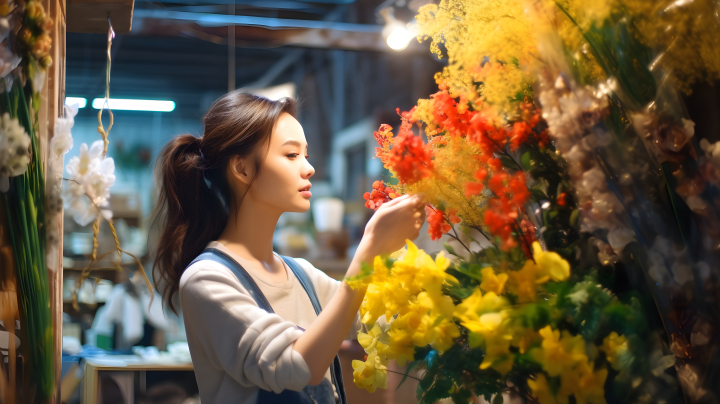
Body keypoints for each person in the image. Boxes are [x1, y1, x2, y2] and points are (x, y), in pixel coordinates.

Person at [152, 91, 426, 404]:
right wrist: (370, 249)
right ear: (242, 169)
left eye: (305, 155)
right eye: (292, 155)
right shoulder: (207, 280)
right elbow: (297, 366)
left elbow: (374, 316)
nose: (308, 168)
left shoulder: (301, 275)